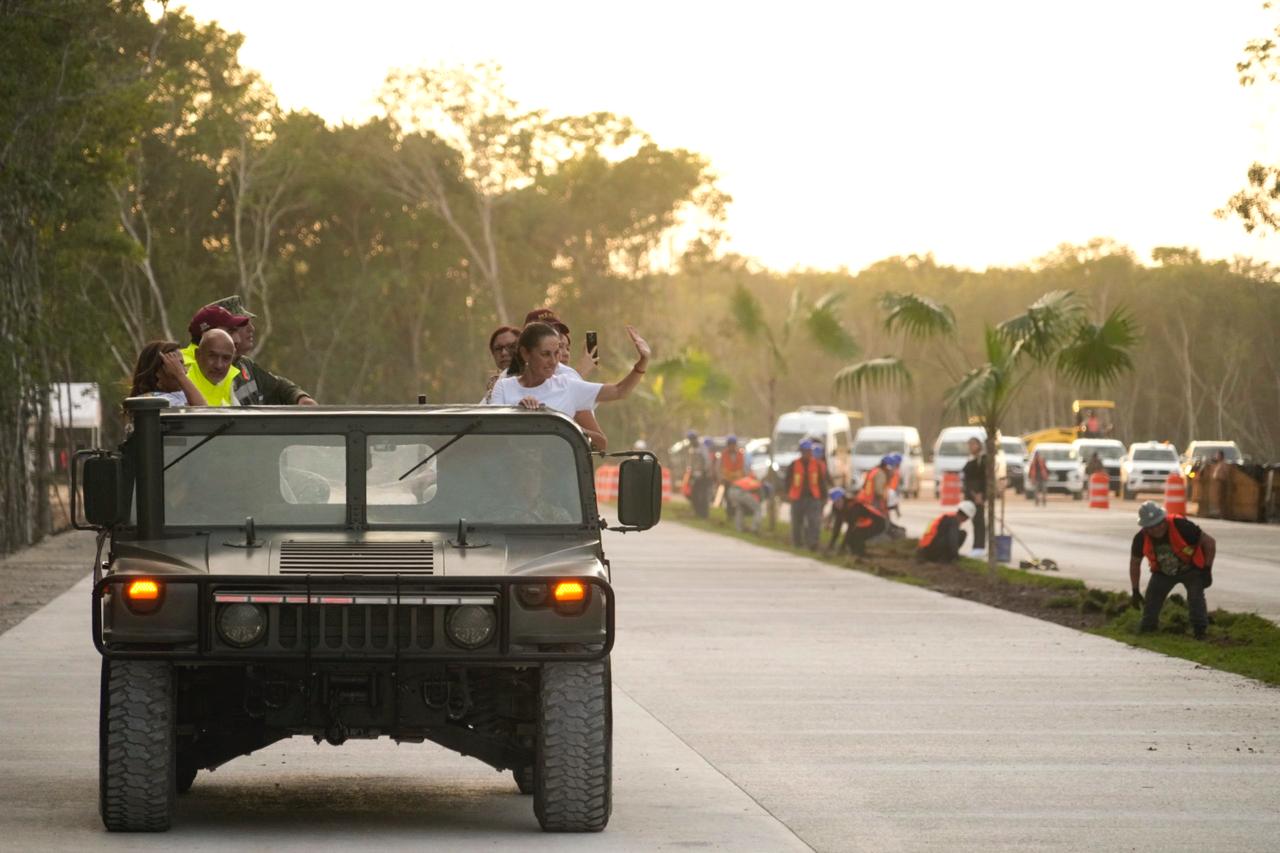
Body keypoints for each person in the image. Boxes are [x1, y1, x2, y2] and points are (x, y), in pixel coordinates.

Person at [486, 322, 649, 450]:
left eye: (557, 353)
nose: (553, 361)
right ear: (525, 353)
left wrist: (643, 361)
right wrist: (520, 413)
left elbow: (619, 391)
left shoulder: (567, 386)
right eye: (545, 354)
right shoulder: (504, 387)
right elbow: (494, 433)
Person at [194, 299, 316, 405]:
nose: (251, 329)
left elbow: (276, 386)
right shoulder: (203, 371)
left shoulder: (244, 364)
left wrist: (300, 397)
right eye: (242, 324)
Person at [1129, 501, 1217, 639]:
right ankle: (1148, 629)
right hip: (1163, 573)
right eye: (1150, 527)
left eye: (1158, 524)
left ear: (1164, 519)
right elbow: (1135, 563)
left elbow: (1209, 542)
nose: (1156, 529)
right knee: (1152, 598)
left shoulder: (1182, 526)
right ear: (1145, 527)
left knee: (1195, 597)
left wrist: (1207, 569)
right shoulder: (1140, 538)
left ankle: (1200, 631)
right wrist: (1135, 590)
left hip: (1191, 569)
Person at [127, 341, 208, 409]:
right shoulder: (154, 401)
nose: (185, 371)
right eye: (177, 365)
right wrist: (180, 375)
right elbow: (203, 412)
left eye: (182, 365)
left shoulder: (178, 394)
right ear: (157, 372)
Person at [786, 439, 830, 551]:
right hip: (797, 497)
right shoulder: (794, 464)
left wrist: (824, 497)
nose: (807, 453)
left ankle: (813, 544)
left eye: (808, 451)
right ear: (801, 451)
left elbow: (821, 481)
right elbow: (787, 481)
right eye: (805, 451)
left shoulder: (817, 464)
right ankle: (797, 544)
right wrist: (787, 494)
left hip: (813, 497)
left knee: (814, 521)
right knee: (797, 523)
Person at [185, 328, 238, 406]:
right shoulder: (182, 390)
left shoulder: (230, 383)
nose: (218, 365)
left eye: (226, 358)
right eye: (212, 356)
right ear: (197, 355)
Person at [962, 437, 987, 556]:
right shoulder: (971, 459)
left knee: (979, 520)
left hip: (978, 494)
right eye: (969, 444)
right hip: (970, 493)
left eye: (973, 444)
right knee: (974, 520)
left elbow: (983, 479)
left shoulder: (982, 460)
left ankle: (979, 547)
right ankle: (976, 546)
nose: (971, 447)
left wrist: (980, 494)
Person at [482, 324, 520, 402]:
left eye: (511, 346)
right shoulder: (494, 385)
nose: (504, 353)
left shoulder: (534, 380)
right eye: (498, 348)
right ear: (493, 353)